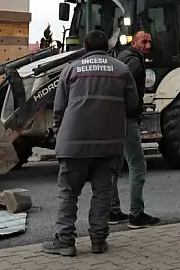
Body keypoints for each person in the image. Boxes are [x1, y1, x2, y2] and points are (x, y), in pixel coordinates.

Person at [42, 30, 139, 257]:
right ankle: (98, 241)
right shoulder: (122, 71)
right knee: (102, 193)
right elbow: (133, 105)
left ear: (85, 46)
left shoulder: (71, 70)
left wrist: (60, 135)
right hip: (108, 145)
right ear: (108, 47)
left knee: (68, 193)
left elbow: (59, 109)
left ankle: (65, 241)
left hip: (73, 144)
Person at [110, 31, 162, 228]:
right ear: (134, 43)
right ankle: (136, 214)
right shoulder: (134, 62)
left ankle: (112, 211)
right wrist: (133, 108)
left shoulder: (121, 57)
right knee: (137, 165)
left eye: (149, 42)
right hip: (126, 118)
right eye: (144, 42)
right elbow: (125, 86)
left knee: (114, 165)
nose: (148, 46)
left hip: (113, 118)